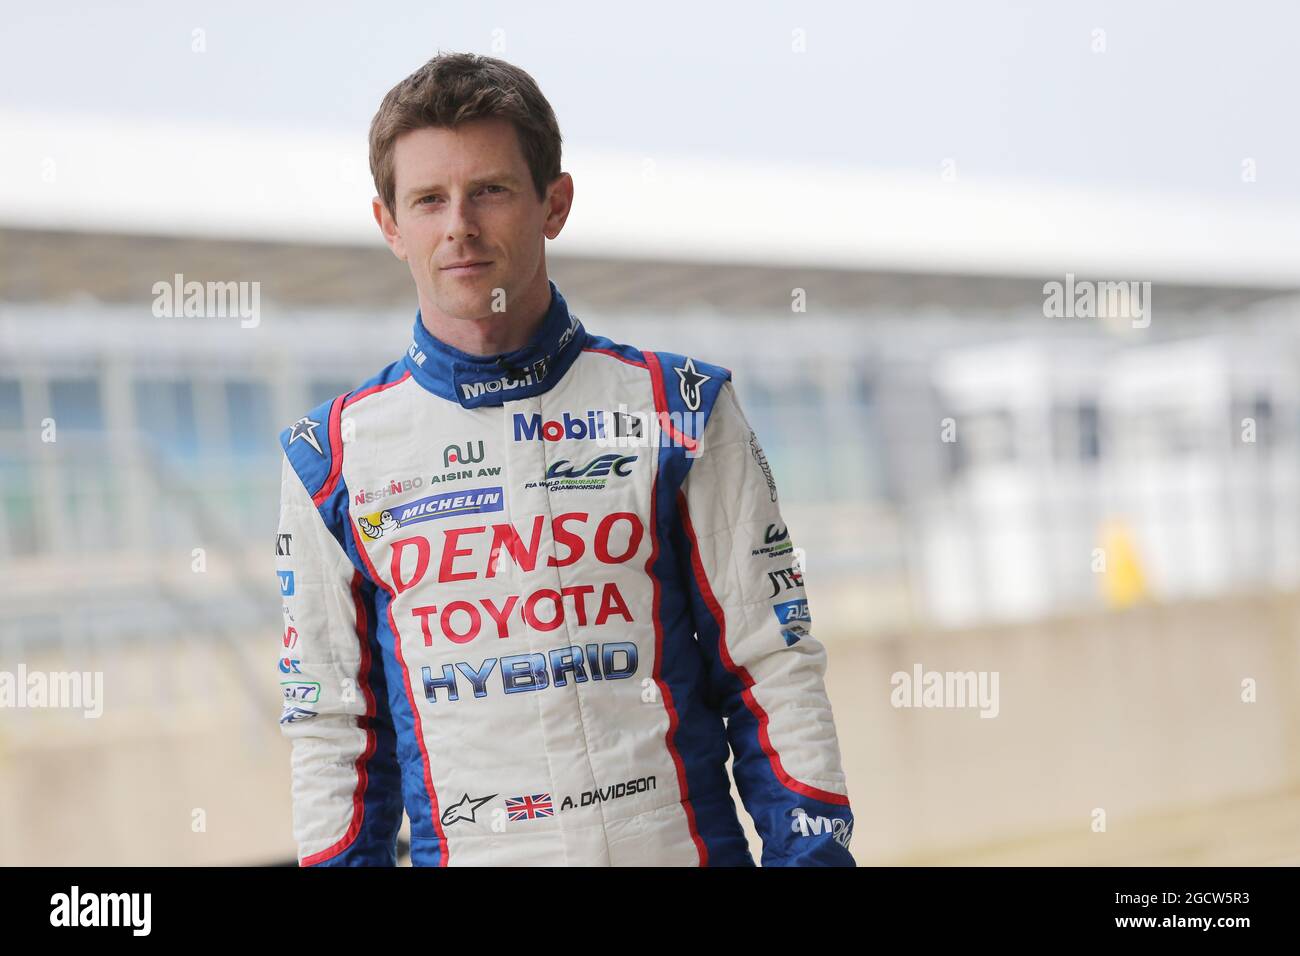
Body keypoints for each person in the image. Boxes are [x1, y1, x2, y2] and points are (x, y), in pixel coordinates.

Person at [274, 51, 854, 866]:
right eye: (430, 199)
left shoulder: (679, 410)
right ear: (389, 225)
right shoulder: (331, 459)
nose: (460, 227)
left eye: (490, 191)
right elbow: (335, 731)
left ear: (556, 202)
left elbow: (773, 669)